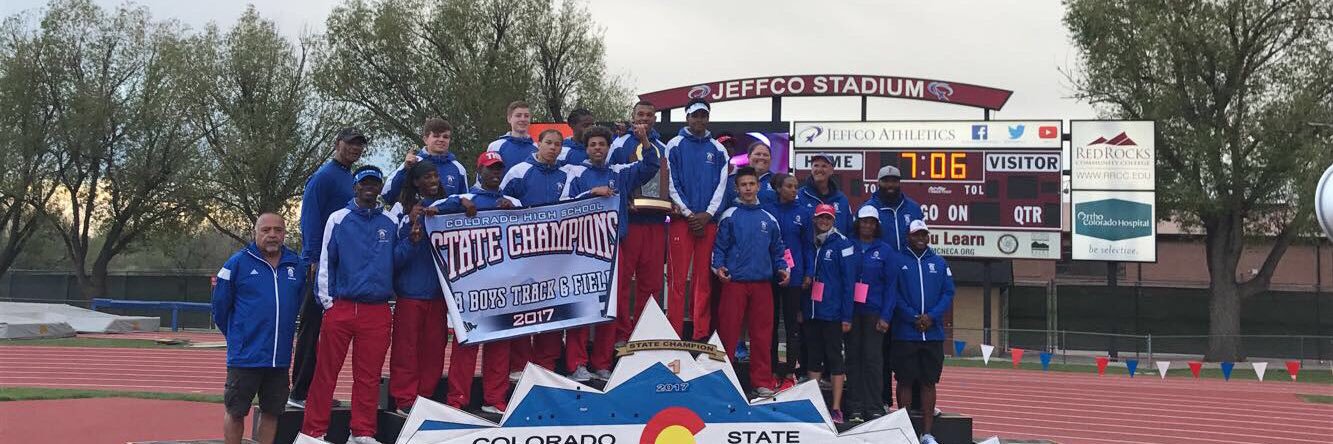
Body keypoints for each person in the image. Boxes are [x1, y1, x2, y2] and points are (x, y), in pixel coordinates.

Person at [301, 166, 416, 444]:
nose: (369, 188)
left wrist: (411, 243)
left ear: (379, 189)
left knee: (369, 376)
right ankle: (313, 431)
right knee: (326, 372)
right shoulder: (338, 219)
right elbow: (326, 261)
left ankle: (362, 431)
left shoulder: (388, 222)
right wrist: (328, 303)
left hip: (376, 309)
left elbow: (395, 262)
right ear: (355, 186)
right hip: (342, 306)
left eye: (374, 184)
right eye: (364, 183)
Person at [565, 125, 660, 381]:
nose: (598, 148)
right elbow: (564, 205)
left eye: (602, 144)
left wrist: (644, 139)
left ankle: (602, 363)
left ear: (609, 148)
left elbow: (651, 166)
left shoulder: (619, 172)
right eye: (593, 144)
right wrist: (591, 193)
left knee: (609, 307)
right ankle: (577, 364)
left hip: (613, 248)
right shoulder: (576, 172)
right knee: (583, 308)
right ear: (586, 148)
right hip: (583, 250)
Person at [431, 151, 521, 415]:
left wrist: (514, 211)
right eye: (490, 169)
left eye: (498, 169)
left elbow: (533, 226)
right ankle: (457, 401)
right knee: (466, 347)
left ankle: (494, 398)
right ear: (478, 171)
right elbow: (433, 209)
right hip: (470, 288)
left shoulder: (512, 200)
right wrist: (459, 204)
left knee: (500, 346)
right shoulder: (464, 198)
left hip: (505, 287)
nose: (495, 173)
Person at [290, 127, 366, 409]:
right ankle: (299, 392)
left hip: (340, 265)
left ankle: (314, 391)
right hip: (320, 264)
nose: (354, 149)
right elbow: (309, 217)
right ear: (337, 144)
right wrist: (311, 257)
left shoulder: (349, 177)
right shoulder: (323, 177)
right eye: (350, 144)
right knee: (311, 328)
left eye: (359, 146)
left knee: (327, 331)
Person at [212, 213, 304, 444]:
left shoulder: (296, 265)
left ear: (284, 233)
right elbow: (220, 309)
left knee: (272, 411)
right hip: (246, 357)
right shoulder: (237, 263)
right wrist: (238, 337)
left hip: (279, 359)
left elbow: (297, 303)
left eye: (278, 230)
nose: (272, 235)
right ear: (255, 232)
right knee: (236, 411)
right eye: (266, 230)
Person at [500, 128, 574, 377]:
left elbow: (572, 206)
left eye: (557, 144)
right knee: (522, 307)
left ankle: (547, 365)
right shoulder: (519, 171)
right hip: (523, 251)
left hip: (555, 251)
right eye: (549, 143)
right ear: (538, 144)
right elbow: (501, 205)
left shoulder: (567, 173)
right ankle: (519, 365)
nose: (553, 148)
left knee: (552, 308)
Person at [711, 167, 789, 396]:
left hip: (762, 284)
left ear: (758, 186)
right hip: (734, 283)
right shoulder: (729, 215)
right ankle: (723, 380)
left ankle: (761, 381)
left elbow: (778, 250)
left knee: (762, 335)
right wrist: (719, 268)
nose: (747, 188)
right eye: (743, 184)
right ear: (737, 188)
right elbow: (719, 247)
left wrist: (782, 268)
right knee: (727, 333)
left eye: (751, 184)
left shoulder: (769, 219)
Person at [605, 101, 674, 342]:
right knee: (623, 283)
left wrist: (671, 202)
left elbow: (669, 181)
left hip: (655, 222)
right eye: (640, 114)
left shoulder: (663, 147)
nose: (644, 118)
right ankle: (622, 333)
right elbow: (609, 176)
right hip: (629, 223)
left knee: (652, 283)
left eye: (649, 115)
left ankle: (645, 333)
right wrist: (624, 203)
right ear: (632, 117)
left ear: (655, 119)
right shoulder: (620, 144)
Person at [387, 161, 450, 415]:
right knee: (406, 349)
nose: (433, 180)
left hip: (439, 294)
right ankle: (404, 399)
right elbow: (394, 260)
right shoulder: (402, 214)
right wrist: (412, 239)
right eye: (427, 176)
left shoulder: (449, 207)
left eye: (436, 176)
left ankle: (425, 396)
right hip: (411, 294)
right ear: (415, 182)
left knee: (435, 349)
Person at [860, 165, 924, 411]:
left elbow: (920, 237)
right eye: (885, 180)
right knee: (881, 348)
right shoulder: (870, 208)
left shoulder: (913, 208)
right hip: (881, 285)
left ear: (900, 182)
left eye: (894, 180)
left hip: (908, 281)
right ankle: (884, 399)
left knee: (912, 345)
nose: (890, 185)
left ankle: (916, 403)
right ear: (878, 182)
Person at [665, 98, 729, 341]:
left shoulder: (718, 149)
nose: (699, 120)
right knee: (677, 279)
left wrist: (708, 214)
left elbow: (721, 186)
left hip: (707, 223)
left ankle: (700, 334)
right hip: (683, 221)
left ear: (708, 118)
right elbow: (671, 182)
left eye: (703, 115)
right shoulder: (675, 145)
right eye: (695, 115)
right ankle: (673, 333)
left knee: (703, 280)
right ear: (687, 118)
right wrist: (689, 213)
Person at [885, 220, 954, 444]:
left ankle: (927, 433)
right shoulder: (897, 260)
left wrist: (931, 317)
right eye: (916, 235)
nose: (920, 238)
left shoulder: (940, 262)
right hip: (906, 332)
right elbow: (893, 293)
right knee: (904, 381)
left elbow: (948, 293)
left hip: (932, 334)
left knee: (928, 382)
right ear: (909, 237)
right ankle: (903, 430)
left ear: (928, 236)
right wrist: (912, 317)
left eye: (924, 234)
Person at [804, 203, 857, 424]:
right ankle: (814, 406)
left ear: (833, 220)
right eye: (820, 218)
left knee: (836, 361)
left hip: (833, 314)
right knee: (814, 359)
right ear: (815, 220)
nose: (824, 221)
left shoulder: (842, 244)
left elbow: (848, 283)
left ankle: (836, 408)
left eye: (828, 218)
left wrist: (847, 316)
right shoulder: (811, 243)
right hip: (814, 313)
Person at [845, 206, 898, 423]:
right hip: (851, 313)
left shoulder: (885, 251)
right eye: (864, 221)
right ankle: (855, 408)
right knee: (853, 360)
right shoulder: (848, 246)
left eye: (871, 222)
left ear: (877, 225)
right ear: (858, 223)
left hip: (874, 313)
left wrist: (886, 316)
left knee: (873, 361)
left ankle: (874, 407)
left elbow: (891, 286)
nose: (867, 225)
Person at [766, 174, 811, 387]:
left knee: (793, 326)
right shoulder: (769, 211)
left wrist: (808, 273)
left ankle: (789, 373)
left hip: (795, 277)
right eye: (790, 186)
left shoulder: (803, 213)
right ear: (779, 188)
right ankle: (774, 369)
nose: (794, 190)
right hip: (771, 275)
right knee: (772, 324)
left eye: (796, 186)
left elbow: (808, 246)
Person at [382, 118, 468, 205]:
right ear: (425, 139)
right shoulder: (413, 163)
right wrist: (405, 169)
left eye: (445, 137)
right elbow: (387, 195)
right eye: (436, 136)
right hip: (418, 217)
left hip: (447, 217)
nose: (441, 139)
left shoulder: (458, 168)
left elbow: (466, 201)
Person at [798, 153, 853, 235]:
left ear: (831, 170)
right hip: (808, 247)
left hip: (836, 247)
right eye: (816, 165)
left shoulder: (841, 199)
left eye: (824, 166)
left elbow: (850, 231)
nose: (819, 169)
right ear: (811, 169)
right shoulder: (800, 196)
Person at [722, 141, 777, 210]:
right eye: (758, 154)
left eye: (765, 155)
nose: (761, 157)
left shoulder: (778, 181)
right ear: (748, 157)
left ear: (771, 159)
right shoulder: (732, 180)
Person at [487, 101, 539, 171]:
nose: (523, 119)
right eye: (518, 115)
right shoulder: (496, 146)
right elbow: (485, 176)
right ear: (509, 119)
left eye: (526, 116)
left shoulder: (538, 149)